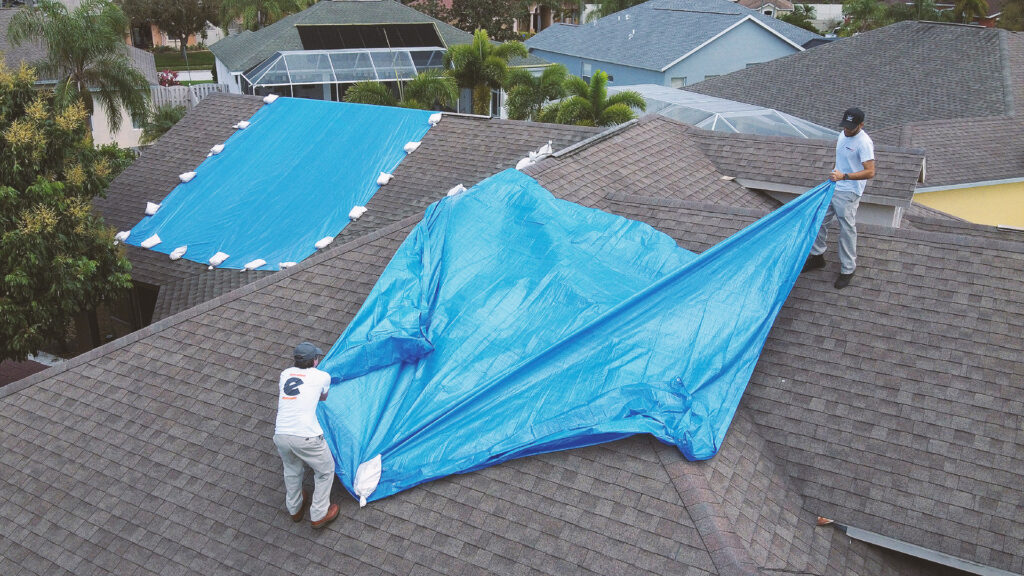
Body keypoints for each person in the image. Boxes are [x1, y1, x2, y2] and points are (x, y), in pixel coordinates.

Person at [803, 107, 875, 289]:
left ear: (861, 125)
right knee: (819, 220)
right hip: (834, 185)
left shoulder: (864, 143)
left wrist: (845, 176)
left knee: (846, 229)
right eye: (845, 126)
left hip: (849, 191)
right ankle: (818, 256)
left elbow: (870, 171)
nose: (846, 130)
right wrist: (837, 175)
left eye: (851, 127)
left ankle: (848, 269)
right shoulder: (843, 134)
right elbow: (842, 159)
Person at [273, 342, 339, 529]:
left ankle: (294, 508)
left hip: (281, 434)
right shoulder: (322, 376)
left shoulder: (285, 374)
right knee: (325, 471)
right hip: (307, 437)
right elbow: (323, 397)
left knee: (292, 470)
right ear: (314, 361)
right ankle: (319, 514)